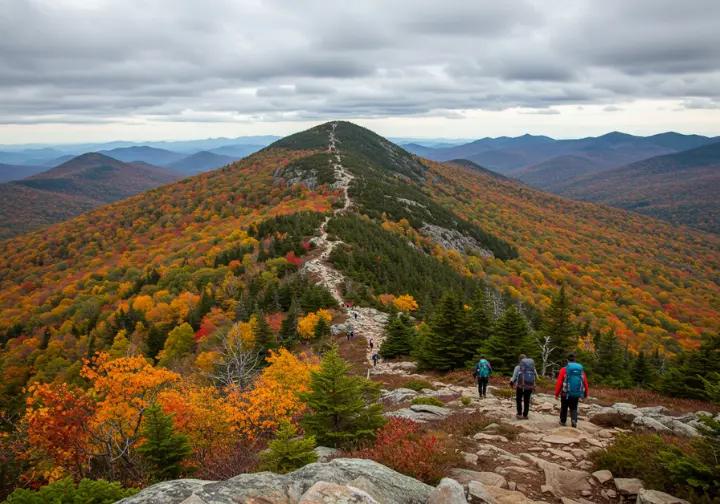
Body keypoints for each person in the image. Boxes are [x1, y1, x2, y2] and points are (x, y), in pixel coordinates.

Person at [555, 352, 589, 428]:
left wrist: (556, 394)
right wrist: (585, 394)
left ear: (567, 360)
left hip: (565, 393)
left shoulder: (564, 369)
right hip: (576, 393)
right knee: (573, 407)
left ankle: (563, 421)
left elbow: (559, 383)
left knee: (564, 407)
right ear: (575, 359)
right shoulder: (580, 370)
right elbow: (585, 382)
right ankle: (574, 420)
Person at [510, 354, 537, 419]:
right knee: (527, 400)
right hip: (529, 385)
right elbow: (535, 376)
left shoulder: (517, 367)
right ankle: (525, 414)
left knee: (519, 399)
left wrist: (511, 382)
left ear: (519, 360)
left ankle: (519, 413)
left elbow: (514, 377)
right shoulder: (532, 368)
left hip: (520, 386)